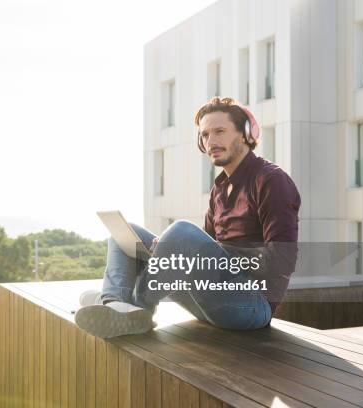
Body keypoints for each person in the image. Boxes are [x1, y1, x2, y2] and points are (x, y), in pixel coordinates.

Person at [74, 97, 301, 338]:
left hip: (251, 306)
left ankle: (137, 309)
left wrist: (184, 246)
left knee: (180, 231)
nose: (210, 141)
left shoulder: (271, 181)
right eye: (204, 135)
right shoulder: (219, 190)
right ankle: (115, 303)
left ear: (245, 134)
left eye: (220, 131)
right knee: (125, 233)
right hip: (209, 298)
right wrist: (172, 250)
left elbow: (283, 262)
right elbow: (206, 251)